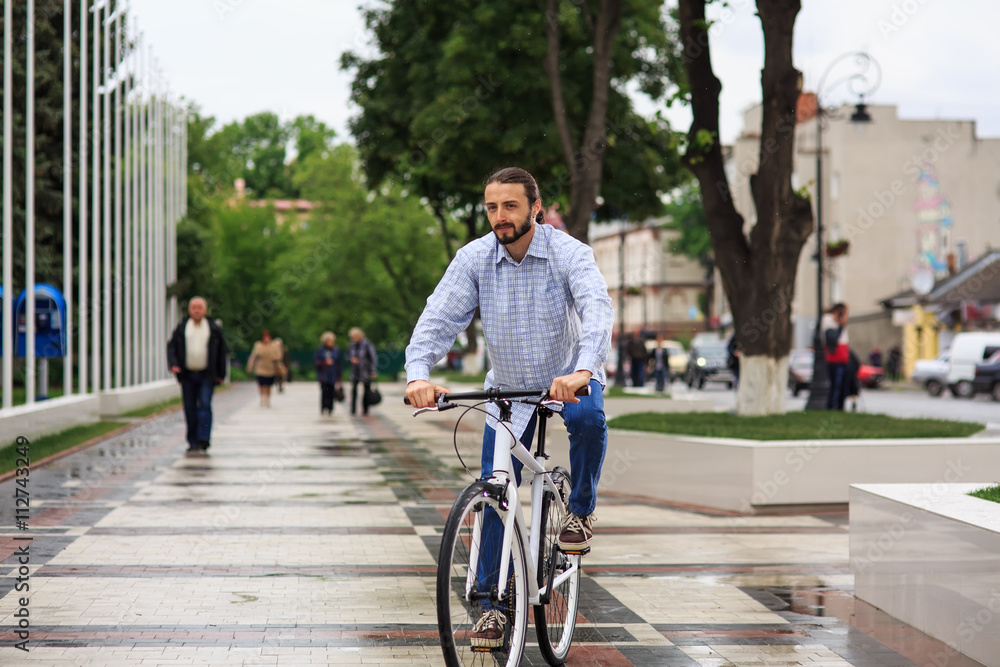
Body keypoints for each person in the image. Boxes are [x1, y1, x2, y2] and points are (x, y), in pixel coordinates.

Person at [404, 166, 613, 648]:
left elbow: (596, 308)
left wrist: (583, 369)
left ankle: (579, 510)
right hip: (507, 391)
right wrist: (418, 373)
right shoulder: (474, 258)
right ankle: (489, 606)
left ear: (535, 207)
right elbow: (438, 316)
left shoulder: (568, 253)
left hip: (568, 379)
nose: (500, 216)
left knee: (586, 418)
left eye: (511, 206)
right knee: (496, 492)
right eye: (492, 207)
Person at [167, 297, 228, 455]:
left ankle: (203, 439)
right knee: (190, 408)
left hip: (207, 375)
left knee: (205, 406)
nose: (196, 310)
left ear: (205, 309)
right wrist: (173, 364)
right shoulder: (182, 328)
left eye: (199, 307)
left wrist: (221, 374)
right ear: (189, 309)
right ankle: (193, 440)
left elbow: (222, 352)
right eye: (193, 307)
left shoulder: (213, 328)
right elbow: (171, 347)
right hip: (187, 375)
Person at [822, 303, 850, 410]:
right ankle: (831, 406)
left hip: (843, 359)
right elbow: (833, 339)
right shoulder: (828, 320)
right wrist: (840, 325)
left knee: (844, 385)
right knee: (836, 385)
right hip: (835, 360)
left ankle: (840, 407)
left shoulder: (839, 324)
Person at [246, 330, 282, 408]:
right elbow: (253, 357)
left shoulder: (273, 345)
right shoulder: (258, 345)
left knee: (269, 385)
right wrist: (250, 366)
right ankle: (262, 397)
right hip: (260, 368)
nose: (266, 339)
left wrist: (275, 358)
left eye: (268, 337)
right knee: (261, 384)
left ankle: (268, 399)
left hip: (270, 368)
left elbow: (279, 356)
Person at [348, 327, 378, 416]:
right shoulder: (351, 345)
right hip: (355, 371)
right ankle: (353, 409)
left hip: (365, 371)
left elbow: (373, 357)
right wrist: (351, 360)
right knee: (354, 390)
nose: (354, 339)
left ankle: (365, 409)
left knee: (366, 390)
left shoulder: (367, 344)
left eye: (355, 337)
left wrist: (372, 370)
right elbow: (347, 356)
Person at [313, 331, 343, 416]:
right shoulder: (320, 350)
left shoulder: (336, 350)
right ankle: (324, 407)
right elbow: (316, 361)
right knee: (324, 391)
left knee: (332, 391)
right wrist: (324, 362)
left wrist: (339, 375)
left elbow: (339, 363)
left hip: (333, 374)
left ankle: (330, 408)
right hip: (323, 374)